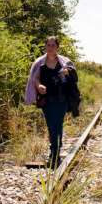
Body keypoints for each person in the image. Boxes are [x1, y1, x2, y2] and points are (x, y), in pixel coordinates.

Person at [24, 36, 78, 169]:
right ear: (45, 46)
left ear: (57, 47)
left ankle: (55, 153)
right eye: (48, 45)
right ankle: (55, 151)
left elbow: (74, 77)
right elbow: (35, 78)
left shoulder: (65, 62)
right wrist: (38, 86)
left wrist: (68, 72)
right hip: (46, 100)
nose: (50, 47)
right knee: (50, 126)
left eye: (53, 45)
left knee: (57, 124)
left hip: (61, 99)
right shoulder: (39, 63)